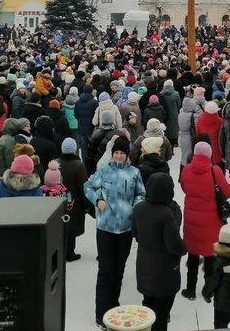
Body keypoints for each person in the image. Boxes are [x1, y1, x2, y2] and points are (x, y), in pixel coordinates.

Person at [84, 135, 146, 329]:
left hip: (125, 230)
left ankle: (113, 304)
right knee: (106, 270)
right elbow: (87, 186)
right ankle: (100, 312)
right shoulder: (103, 171)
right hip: (106, 228)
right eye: (116, 153)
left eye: (122, 153)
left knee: (119, 270)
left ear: (127, 155)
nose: (119, 156)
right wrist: (97, 200)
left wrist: (133, 208)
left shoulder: (134, 173)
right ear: (112, 154)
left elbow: (141, 194)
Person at [131, 173, 186, 331]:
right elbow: (173, 245)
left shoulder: (139, 208)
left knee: (148, 309)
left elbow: (134, 232)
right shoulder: (166, 214)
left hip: (144, 266)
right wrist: (184, 249)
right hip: (164, 271)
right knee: (161, 315)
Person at [180, 140, 230, 299]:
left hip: (191, 219)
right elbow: (228, 192)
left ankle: (190, 290)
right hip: (211, 220)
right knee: (210, 255)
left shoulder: (187, 169)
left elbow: (183, 187)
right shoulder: (215, 171)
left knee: (193, 255)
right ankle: (208, 290)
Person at [202, 226, 230, 329]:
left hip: (222, 305)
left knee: (220, 326)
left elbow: (212, 281)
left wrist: (206, 294)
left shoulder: (219, 262)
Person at [58, 137, 89, 262]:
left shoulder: (56, 162)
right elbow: (84, 186)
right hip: (74, 201)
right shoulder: (78, 165)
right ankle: (70, 251)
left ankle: (61, 250)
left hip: (59, 199)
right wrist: (87, 204)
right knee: (72, 224)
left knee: (60, 225)